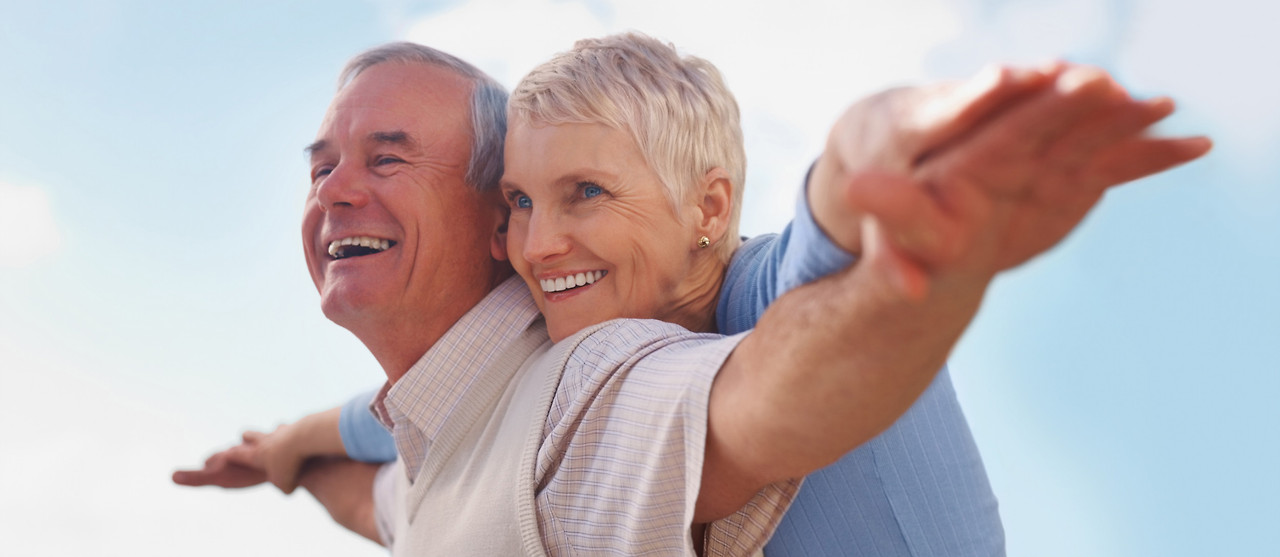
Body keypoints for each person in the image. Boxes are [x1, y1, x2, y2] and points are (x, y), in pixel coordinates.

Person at [174, 34, 1209, 556]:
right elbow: (385, 466)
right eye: (523, 203)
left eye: (585, 193)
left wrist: (898, 162)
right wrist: (282, 453)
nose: (539, 243)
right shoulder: (475, 414)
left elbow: (813, 290)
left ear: (706, 206)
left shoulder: (731, 303)